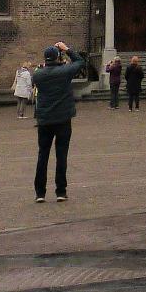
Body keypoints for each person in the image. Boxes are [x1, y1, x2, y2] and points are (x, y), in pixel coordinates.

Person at [31, 42, 86, 203]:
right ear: (58, 56)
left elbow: (41, 73)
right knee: (62, 155)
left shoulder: (38, 75)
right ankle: (60, 191)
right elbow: (80, 62)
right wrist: (67, 48)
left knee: (43, 155)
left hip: (45, 120)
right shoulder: (64, 72)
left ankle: (40, 193)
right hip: (62, 119)